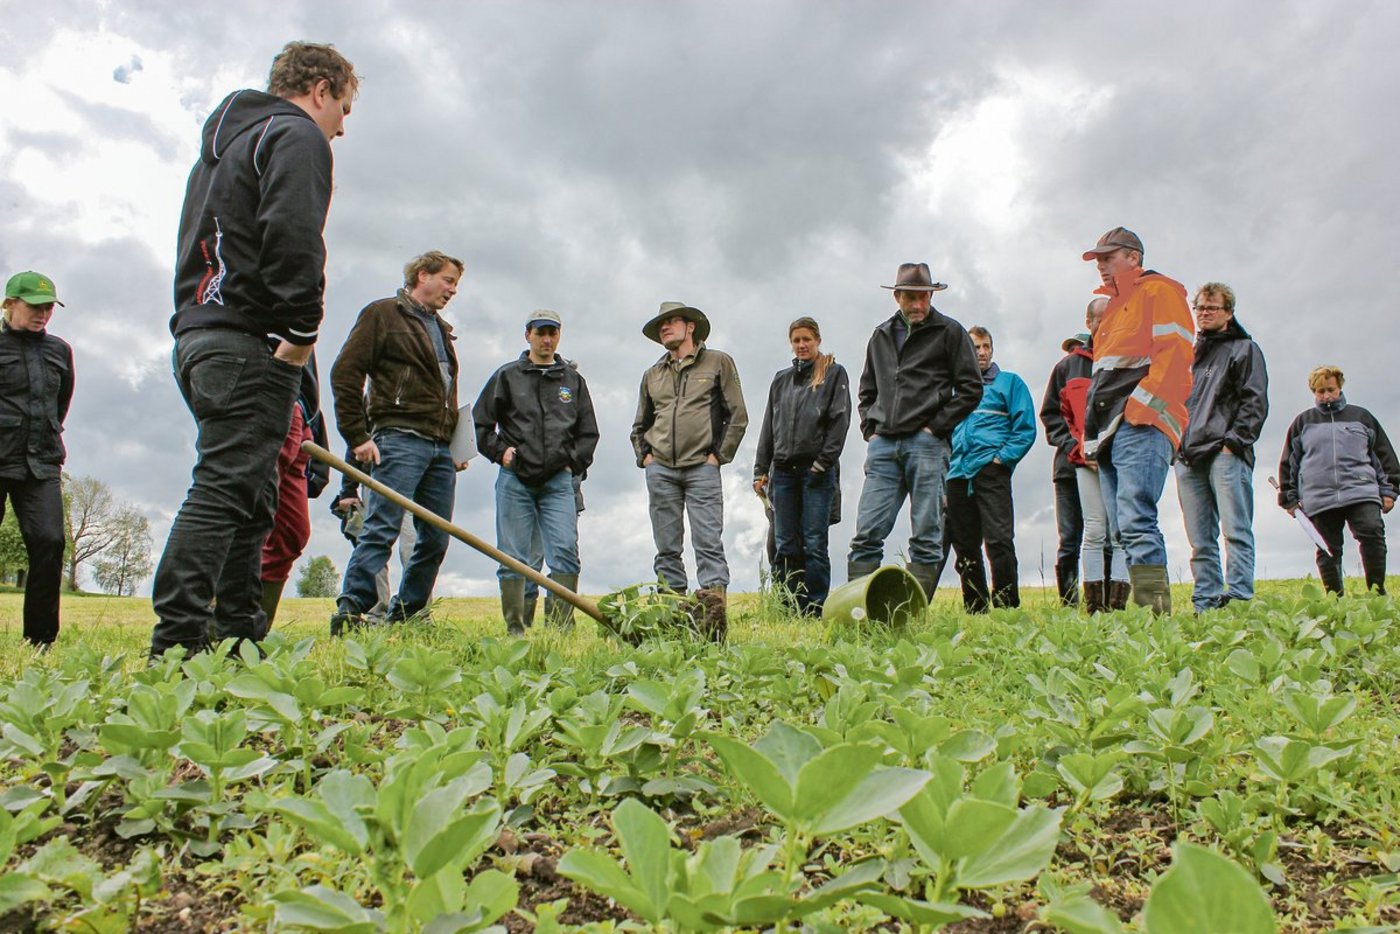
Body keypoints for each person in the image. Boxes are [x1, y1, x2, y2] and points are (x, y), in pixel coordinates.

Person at [151, 42, 359, 657]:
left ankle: (236, 635)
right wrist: (300, 335)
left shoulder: (222, 148)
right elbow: (295, 235)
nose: (342, 126)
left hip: (199, 334)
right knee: (224, 487)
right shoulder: (296, 135)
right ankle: (178, 642)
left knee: (254, 495)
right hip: (248, 340)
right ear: (320, 89)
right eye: (343, 108)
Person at [329, 251, 469, 633]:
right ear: (423, 275)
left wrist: (455, 444)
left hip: (440, 448)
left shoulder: (441, 329)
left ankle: (406, 615)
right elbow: (345, 373)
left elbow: (443, 393)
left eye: (456, 283)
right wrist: (357, 435)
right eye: (448, 280)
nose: (453, 290)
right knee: (381, 528)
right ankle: (352, 611)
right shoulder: (383, 314)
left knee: (436, 538)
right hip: (398, 438)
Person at [847, 262, 982, 600]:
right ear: (897, 297)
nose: (919, 304)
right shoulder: (880, 336)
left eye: (924, 297)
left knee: (926, 532)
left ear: (931, 295)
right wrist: (871, 429)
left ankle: (912, 613)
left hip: (927, 445)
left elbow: (970, 388)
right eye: (911, 297)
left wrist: (935, 427)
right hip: (883, 446)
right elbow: (866, 391)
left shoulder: (950, 332)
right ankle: (859, 610)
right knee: (866, 532)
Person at [1081, 228, 1194, 614]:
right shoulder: (1113, 307)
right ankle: (1148, 615)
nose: (1100, 265)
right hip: (1114, 431)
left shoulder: (1159, 291)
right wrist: (1093, 438)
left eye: (1107, 257)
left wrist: (1140, 410)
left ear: (1133, 257)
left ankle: (1156, 617)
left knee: (1136, 521)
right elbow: (1104, 380)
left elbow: (1176, 353)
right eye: (1097, 260)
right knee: (1121, 529)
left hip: (1140, 426)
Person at [474, 310, 599, 635]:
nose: (546, 339)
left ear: (559, 336)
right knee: (514, 557)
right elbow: (482, 422)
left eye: (552, 333)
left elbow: (588, 432)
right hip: (515, 479)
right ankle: (517, 629)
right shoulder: (507, 376)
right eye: (540, 332)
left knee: (565, 552)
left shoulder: (572, 381)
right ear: (527, 335)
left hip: (559, 481)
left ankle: (561, 629)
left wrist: (573, 462)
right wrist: (500, 452)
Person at [630, 301, 748, 640]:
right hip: (661, 470)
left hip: (702, 468)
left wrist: (717, 457)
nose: (665, 328)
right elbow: (639, 424)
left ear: (690, 327)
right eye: (661, 325)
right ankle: (672, 621)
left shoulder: (718, 363)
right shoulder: (652, 374)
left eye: (671, 322)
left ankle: (713, 626)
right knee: (667, 547)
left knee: (708, 543)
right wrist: (646, 458)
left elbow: (737, 415)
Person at [1175, 283, 1269, 612]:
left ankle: (1240, 598)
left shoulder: (1244, 349)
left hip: (1224, 453)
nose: (1204, 313)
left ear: (1228, 312)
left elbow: (1254, 400)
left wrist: (1234, 442)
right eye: (1200, 308)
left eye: (1212, 308)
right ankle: (1206, 602)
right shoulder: (1189, 354)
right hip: (1187, 456)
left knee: (1235, 530)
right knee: (1200, 539)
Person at [752, 316, 851, 616]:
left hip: (816, 471)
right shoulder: (781, 379)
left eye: (807, 339)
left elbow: (840, 421)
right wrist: (760, 469)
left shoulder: (833, 373)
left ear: (817, 340)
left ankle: (814, 608)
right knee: (785, 543)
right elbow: (769, 425)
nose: (801, 345)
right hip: (782, 472)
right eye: (796, 340)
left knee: (814, 542)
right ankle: (786, 606)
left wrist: (823, 463)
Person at [1277, 366, 1397, 596]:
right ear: (1314, 391)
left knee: (1372, 533)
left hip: (1361, 490)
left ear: (1339, 387)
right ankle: (1335, 599)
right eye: (1320, 391)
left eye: (1330, 389)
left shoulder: (1362, 417)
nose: (1326, 395)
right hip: (1319, 496)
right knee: (1328, 548)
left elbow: (1384, 456)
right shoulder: (1303, 423)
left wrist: (1389, 491)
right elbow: (1289, 463)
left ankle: (1376, 592)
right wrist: (1289, 499)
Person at [1, 272, 73, 648]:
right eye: (35, 306)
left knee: (50, 541)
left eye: (48, 307)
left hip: (41, 462)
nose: (43, 314)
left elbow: (60, 406)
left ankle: (41, 639)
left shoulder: (59, 351)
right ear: (10, 303)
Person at [1047, 298, 1130, 613]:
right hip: (1082, 462)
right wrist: (1076, 447)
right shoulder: (1067, 368)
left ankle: (1117, 605)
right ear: (1089, 322)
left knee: (1120, 533)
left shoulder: (1129, 361)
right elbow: (1055, 416)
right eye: (1100, 319)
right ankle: (1091, 606)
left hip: (1119, 459)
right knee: (1091, 531)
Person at [945, 327, 1036, 610]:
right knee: (964, 546)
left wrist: (1001, 459)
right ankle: (976, 606)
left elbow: (1025, 428)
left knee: (998, 540)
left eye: (986, 346)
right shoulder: (954, 389)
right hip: (958, 473)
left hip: (990, 470)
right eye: (975, 347)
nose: (982, 352)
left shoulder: (1009, 383)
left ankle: (1007, 605)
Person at [256, 357, 330, 627]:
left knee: (292, 532)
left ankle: (252, 634)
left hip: (298, 410)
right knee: (243, 520)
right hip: (260, 392)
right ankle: (208, 632)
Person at [330, 460, 417, 620]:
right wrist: (348, 490)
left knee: (415, 544)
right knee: (375, 541)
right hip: (375, 476)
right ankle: (376, 614)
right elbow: (357, 444)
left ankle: (416, 611)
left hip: (415, 475)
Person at [1040, 328, 1089, 607]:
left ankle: (1103, 599)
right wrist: (1071, 445)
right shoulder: (1061, 371)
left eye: (1077, 347)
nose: (1073, 352)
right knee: (1069, 537)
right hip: (1066, 468)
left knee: (1103, 536)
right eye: (1069, 348)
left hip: (1097, 466)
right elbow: (1050, 415)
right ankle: (1069, 601)